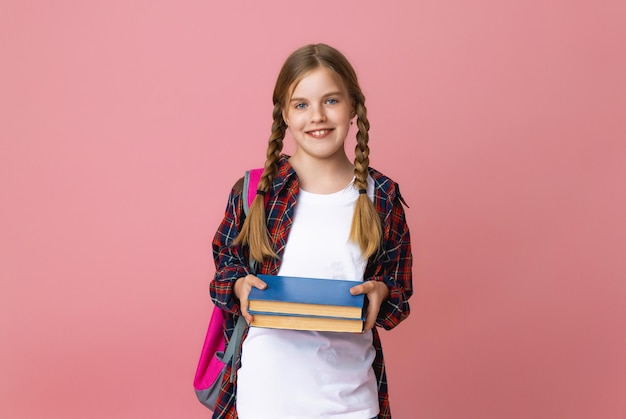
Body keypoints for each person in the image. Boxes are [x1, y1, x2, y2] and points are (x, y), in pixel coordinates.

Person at [210, 43, 413, 419]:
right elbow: (224, 273)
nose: (317, 116)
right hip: (265, 399)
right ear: (284, 114)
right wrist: (239, 287)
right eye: (301, 104)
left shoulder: (380, 196)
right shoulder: (255, 192)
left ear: (353, 106)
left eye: (331, 100)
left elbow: (399, 292)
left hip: (351, 401)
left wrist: (380, 291)